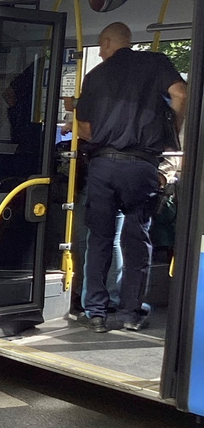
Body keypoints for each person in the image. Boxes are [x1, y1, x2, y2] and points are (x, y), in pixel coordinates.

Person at [76, 22, 187, 333]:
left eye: (101, 45)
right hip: (141, 165)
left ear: (111, 42)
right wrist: (171, 132)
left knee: (99, 239)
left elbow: (84, 128)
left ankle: (96, 312)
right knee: (136, 239)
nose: (99, 52)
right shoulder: (156, 63)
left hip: (102, 166)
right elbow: (180, 95)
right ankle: (129, 313)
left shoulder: (95, 76)